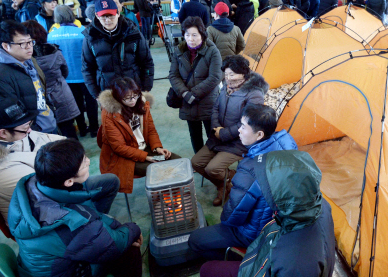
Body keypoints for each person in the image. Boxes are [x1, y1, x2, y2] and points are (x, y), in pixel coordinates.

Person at [8, 139, 157, 277]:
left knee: (130, 246)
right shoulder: (69, 223)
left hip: (64, 269)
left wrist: (120, 227)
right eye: (83, 163)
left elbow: (95, 219)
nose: (88, 160)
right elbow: (111, 243)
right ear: (69, 181)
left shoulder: (39, 184)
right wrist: (134, 228)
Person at [199, 150, 336, 277]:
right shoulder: (318, 204)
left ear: (284, 198)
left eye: (267, 186)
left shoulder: (293, 271)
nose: (262, 189)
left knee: (207, 271)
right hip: (270, 258)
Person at [188, 104, 297, 259]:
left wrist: (224, 222)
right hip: (280, 225)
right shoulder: (287, 145)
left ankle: (238, 262)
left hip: (256, 232)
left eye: (244, 127)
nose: (239, 130)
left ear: (259, 135)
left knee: (195, 240)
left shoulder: (250, 168)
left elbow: (233, 215)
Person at [191, 55, 268, 206]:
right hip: (218, 136)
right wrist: (216, 128)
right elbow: (215, 108)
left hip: (238, 141)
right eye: (225, 74)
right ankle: (224, 184)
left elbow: (249, 122)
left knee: (212, 169)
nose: (228, 78)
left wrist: (224, 133)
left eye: (231, 74)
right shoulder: (226, 86)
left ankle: (227, 179)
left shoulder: (254, 94)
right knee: (196, 163)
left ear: (243, 74)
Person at [98, 77, 180, 193]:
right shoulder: (110, 114)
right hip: (123, 158)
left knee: (179, 162)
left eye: (135, 96)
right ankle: (163, 200)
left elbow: (150, 130)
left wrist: (157, 148)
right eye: (127, 98)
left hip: (143, 148)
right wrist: (146, 157)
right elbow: (119, 147)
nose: (132, 100)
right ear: (118, 98)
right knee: (161, 171)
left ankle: (174, 196)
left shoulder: (142, 103)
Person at [0, 20, 57, 133]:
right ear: (6, 46)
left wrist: (52, 113)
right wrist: (33, 131)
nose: (29, 47)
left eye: (30, 42)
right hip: (32, 134)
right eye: (22, 44)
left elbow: (41, 92)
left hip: (49, 124)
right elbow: (7, 119)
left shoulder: (30, 61)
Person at [168, 16, 223, 154]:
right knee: (194, 134)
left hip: (208, 101)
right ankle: (199, 161)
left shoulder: (212, 51)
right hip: (188, 101)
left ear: (202, 34)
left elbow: (215, 76)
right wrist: (185, 93)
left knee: (212, 133)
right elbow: (173, 75)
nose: (190, 39)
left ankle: (212, 162)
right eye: (187, 35)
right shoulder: (179, 51)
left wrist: (194, 93)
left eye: (194, 35)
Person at [82, 0, 154, 99]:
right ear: (97, 16)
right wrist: (96, 95)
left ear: (118, 13)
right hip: (107, 93)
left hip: (133, 91)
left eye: (111, 15)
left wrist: (146, 88)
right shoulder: (90, 38)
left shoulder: (132, 32)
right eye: (103, 16)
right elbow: (87, 69)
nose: (108, 20)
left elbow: (147, 62)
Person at [23, 20, 80, 139]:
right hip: (60, 92)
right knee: (68, 128)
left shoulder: (24, 59)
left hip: (39, 98)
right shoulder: (55, 51)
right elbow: (65, 72)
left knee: (48, 135)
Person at [49, 5, 98, 138]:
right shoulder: (83, 31)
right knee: (91, 102)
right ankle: (94, 129)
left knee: (76, 104)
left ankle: (82, 128)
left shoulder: (51, 35)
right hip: (85, 74)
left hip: (66, 77)